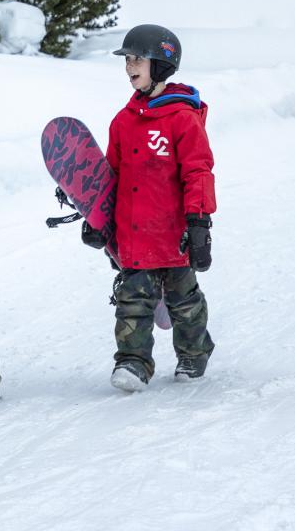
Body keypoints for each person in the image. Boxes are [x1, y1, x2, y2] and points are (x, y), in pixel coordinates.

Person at [100, 23, 215, 393]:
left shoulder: (182, 119)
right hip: (134, 235)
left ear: (162, 64)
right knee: (132, 302)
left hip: (174, 233)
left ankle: (194, 353)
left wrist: (199, 223)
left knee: (184, 303)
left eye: (138, 59)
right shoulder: (123, 121)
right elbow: (111, 174)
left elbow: (198, 171)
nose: (130, 65)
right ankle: (133, 362)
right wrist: (98, 218)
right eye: (127, 59)